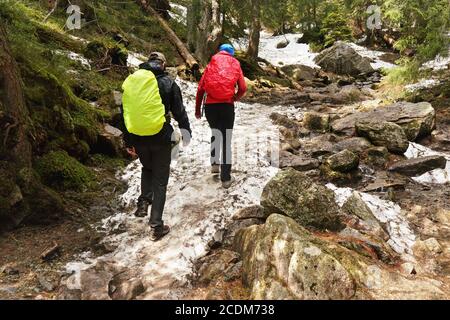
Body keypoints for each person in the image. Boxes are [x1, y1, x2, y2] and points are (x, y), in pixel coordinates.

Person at [121, 52, 192, 241]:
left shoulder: (133, 82)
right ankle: (157, 225)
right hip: (160, 136)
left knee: (147, 168)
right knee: (160, 180)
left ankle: (144, 202)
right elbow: (179, 111)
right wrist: (186, 131)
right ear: (162, 64)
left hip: (137, 135)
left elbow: (125, 112)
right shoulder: (168, 83)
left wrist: (129, 141)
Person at [195, 44, 247, 189]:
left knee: (215, 132)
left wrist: (198, 110)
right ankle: (225, 178)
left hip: (210, 107)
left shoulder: (211, 63)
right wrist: (235, 97)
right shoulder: (235, 63)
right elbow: (243, 88)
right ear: (231, 53)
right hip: (226, 106)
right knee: (226, 140)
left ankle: (214, 164)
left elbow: (200, 89)